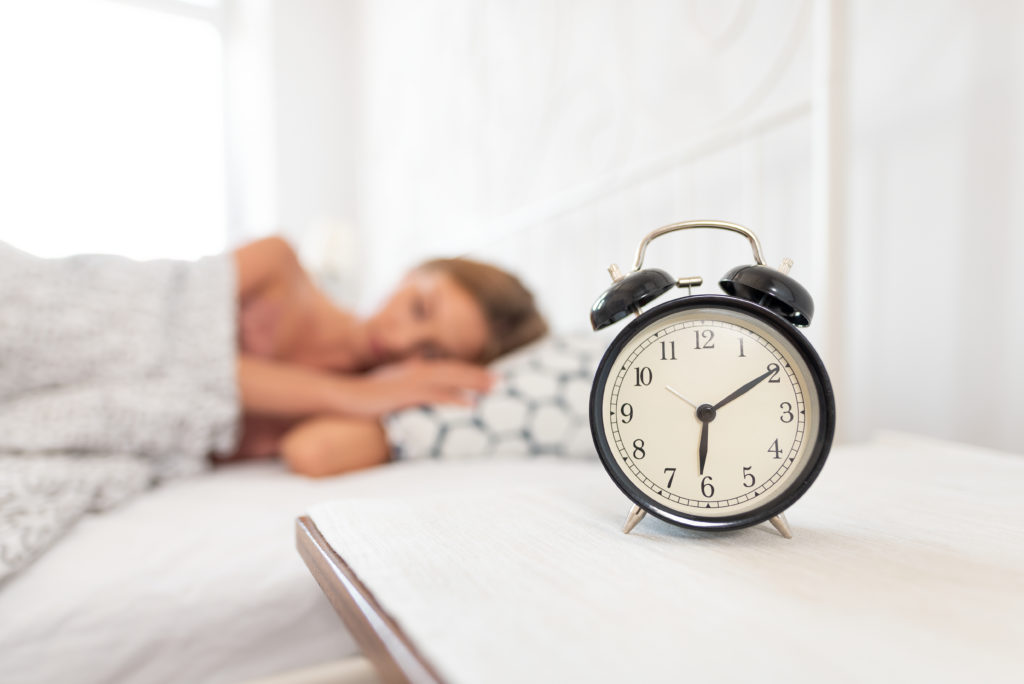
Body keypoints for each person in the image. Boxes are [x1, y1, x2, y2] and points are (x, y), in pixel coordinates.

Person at [228, 237, 547, 477]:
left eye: (432, 353)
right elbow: (183, 372)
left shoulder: (375, 404)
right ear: (412, 272)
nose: (401, 341)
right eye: (418, 308)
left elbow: (309, 453)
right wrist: (361, 393)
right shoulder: (275, 265)